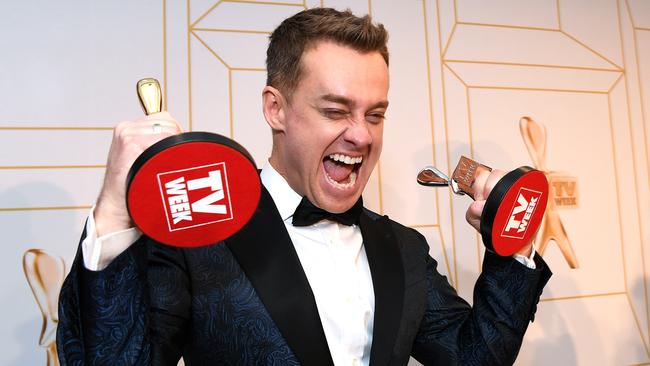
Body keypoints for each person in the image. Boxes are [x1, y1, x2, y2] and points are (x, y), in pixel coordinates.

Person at [57, 7, 551, 366]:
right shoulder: (204, 237)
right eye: (335, 110)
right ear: (276, 109)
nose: (361, 134)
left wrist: (511, 246)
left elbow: (473, 357)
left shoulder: (402, 247)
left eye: (374, 114)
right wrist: (114, 214)